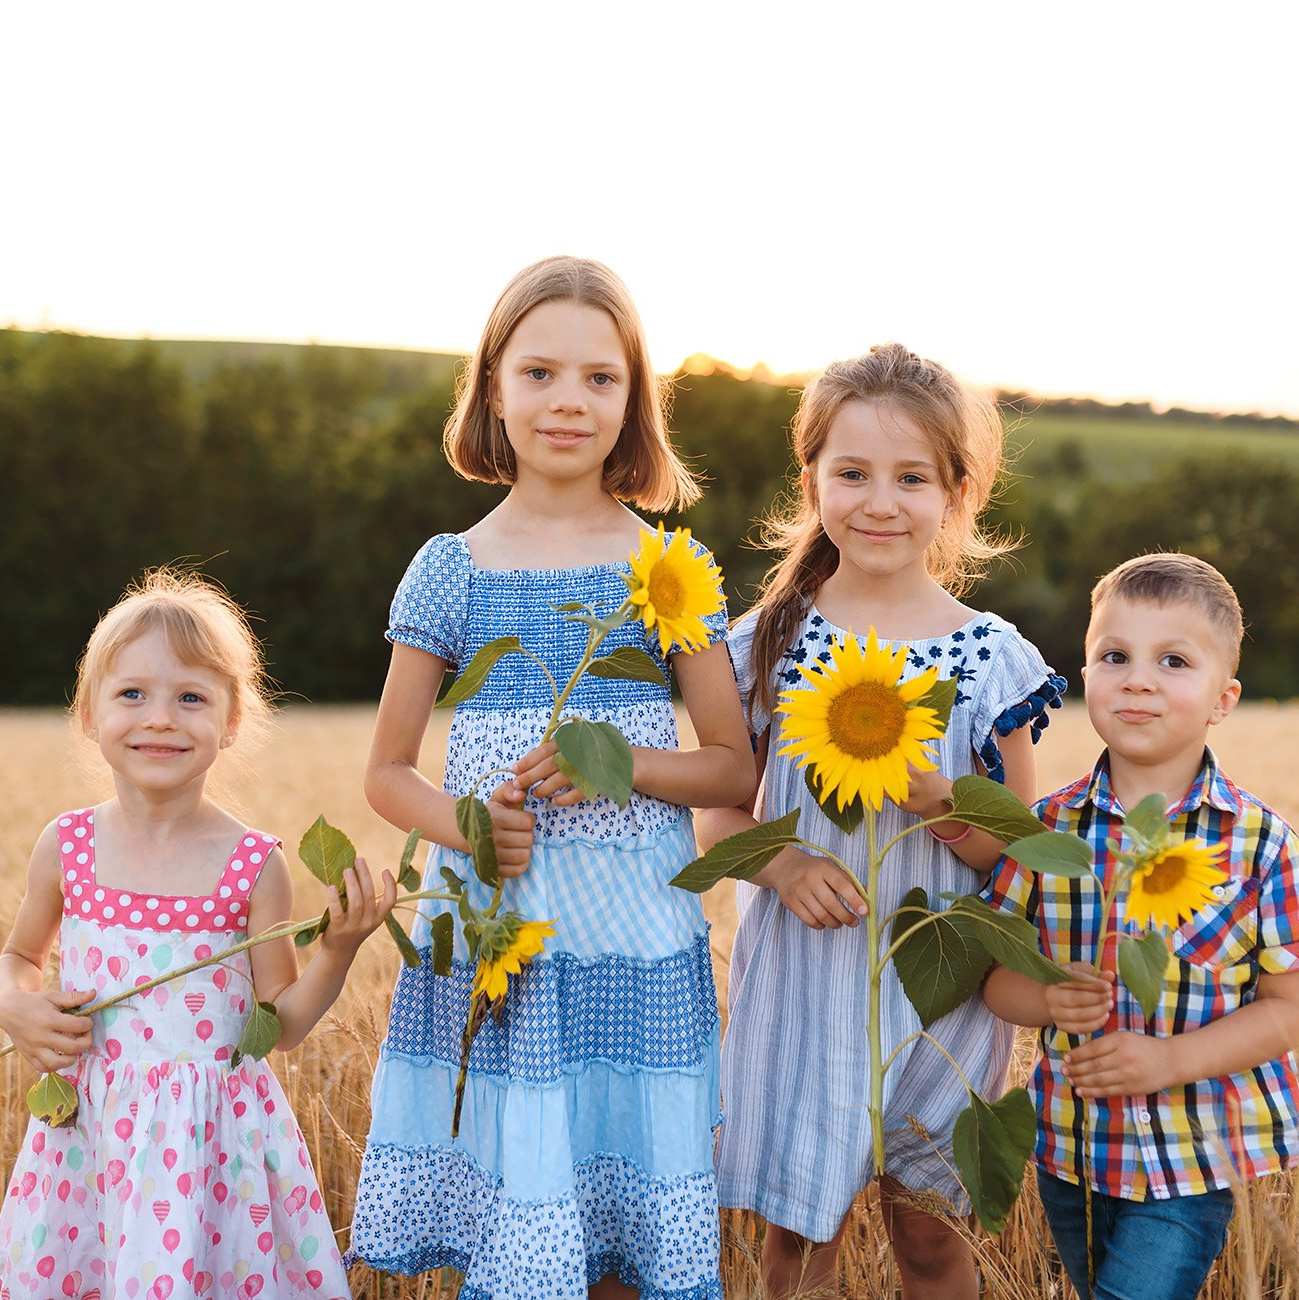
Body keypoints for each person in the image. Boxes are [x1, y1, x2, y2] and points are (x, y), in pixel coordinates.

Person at [346, 255, 755, 1300]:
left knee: (622, 1237)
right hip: (504, 948)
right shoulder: (450, 568)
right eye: (538, 373)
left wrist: (616, 770)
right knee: (518, 1231)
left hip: (634, 942)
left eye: (600, 378)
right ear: (492, 387)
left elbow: (730, 765)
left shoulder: (669, 572)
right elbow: (387, 773)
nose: (569, 400)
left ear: (634, 402)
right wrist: (471, 822)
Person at [696, 343, 1066, 1300]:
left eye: (911, 478)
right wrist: (775, 867)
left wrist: (938, 801)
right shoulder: (764, 645)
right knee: (796, 1244)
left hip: (941, 997)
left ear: (958, 492)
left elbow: (1018, 849)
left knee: (933, 1240)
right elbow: (714, 819)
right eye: (851, 473)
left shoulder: (992, 659)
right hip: (799, 985)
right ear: (810, 476)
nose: (879, 502)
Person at [0, 568, 396, 1299]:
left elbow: (278, 1024)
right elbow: (21, 955)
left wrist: (338, 949)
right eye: (131, 695)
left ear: (232, 720)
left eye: (191, 697)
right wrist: (12, 1002)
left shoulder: (252, 865)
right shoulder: (68, 846)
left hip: (213, 1152)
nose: (160, 718)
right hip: (92, 1142)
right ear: (89, 715)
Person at [983, 553, 1299, 1300]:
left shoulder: (1260, 844)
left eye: (1173, 661)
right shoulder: (1045, 829)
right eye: (1112, 656)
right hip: (1072, 1150)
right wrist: (1047, 998)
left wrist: (1168, 1061)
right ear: (1084, 672)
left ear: (1222, 700)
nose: (1137, 678)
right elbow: (992, 975)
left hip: (1192, 1157)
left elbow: (1287, 1008)